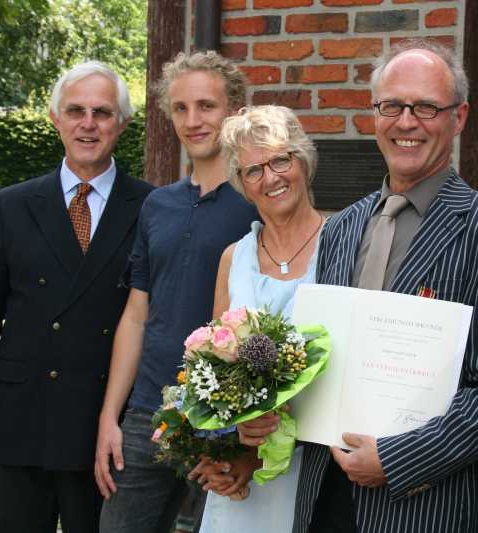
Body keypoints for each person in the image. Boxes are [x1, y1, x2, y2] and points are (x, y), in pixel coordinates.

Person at [240, 39, 478, 533]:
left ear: (459, 117)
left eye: (426, 107)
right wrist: (272, 414)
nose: (406, 122)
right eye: (392, 106)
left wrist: (397, 460)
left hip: (425, 507)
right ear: (374, 114)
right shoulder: (339, 230)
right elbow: (316, 363)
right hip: (322, 499)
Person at [0, 61, 153, 532]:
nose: (88, 124)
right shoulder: (13, 204)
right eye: (76, 111)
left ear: (122, 123)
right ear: (55, 118)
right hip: (23, 419)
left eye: (102, 112)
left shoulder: (149, 206)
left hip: (106, 428)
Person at [95, 51, 258, 533]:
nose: (193, 120)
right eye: (181, 108)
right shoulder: (156, 205)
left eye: (206, 106)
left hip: (224, 421)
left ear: (235, 111)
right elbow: (136, 315)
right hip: (149, 414)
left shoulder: (257, 203)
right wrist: (112, 418)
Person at [188, 104, 324, 532]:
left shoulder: (342, 246)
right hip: (246, 468)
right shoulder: (235, 258)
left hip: (315, 468)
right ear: (242, 185)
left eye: (280, 160)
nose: (271, 178)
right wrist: (228, 455)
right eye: (253, 171)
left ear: (302, 160)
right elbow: (210, 368)